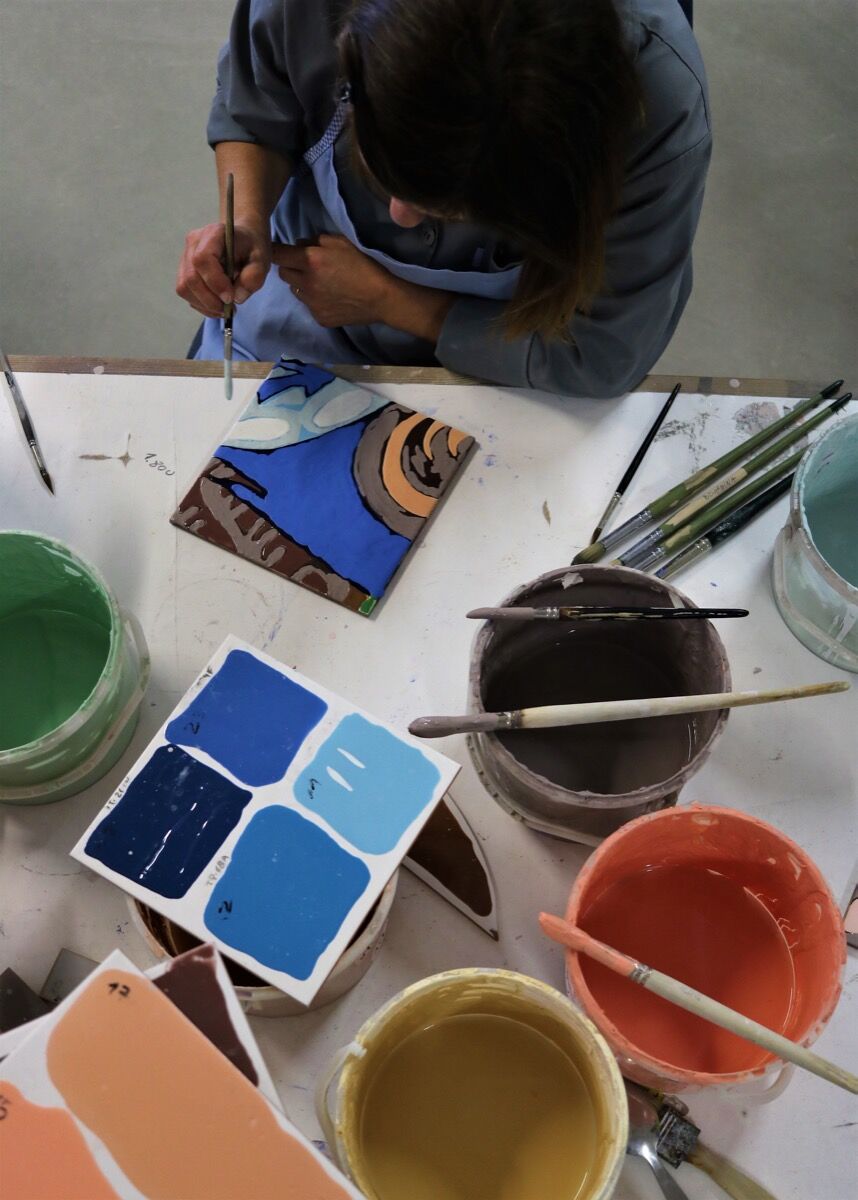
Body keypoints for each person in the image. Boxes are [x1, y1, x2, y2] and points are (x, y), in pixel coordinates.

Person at [176, 0, 709, 398]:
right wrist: (246, 216)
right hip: (300, 306)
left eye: (454, 210)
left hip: (514, 360)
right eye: (385, 174)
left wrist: (391, 301)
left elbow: (600, 353)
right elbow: (254, 105)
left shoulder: (655, 106)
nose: (400, 217)